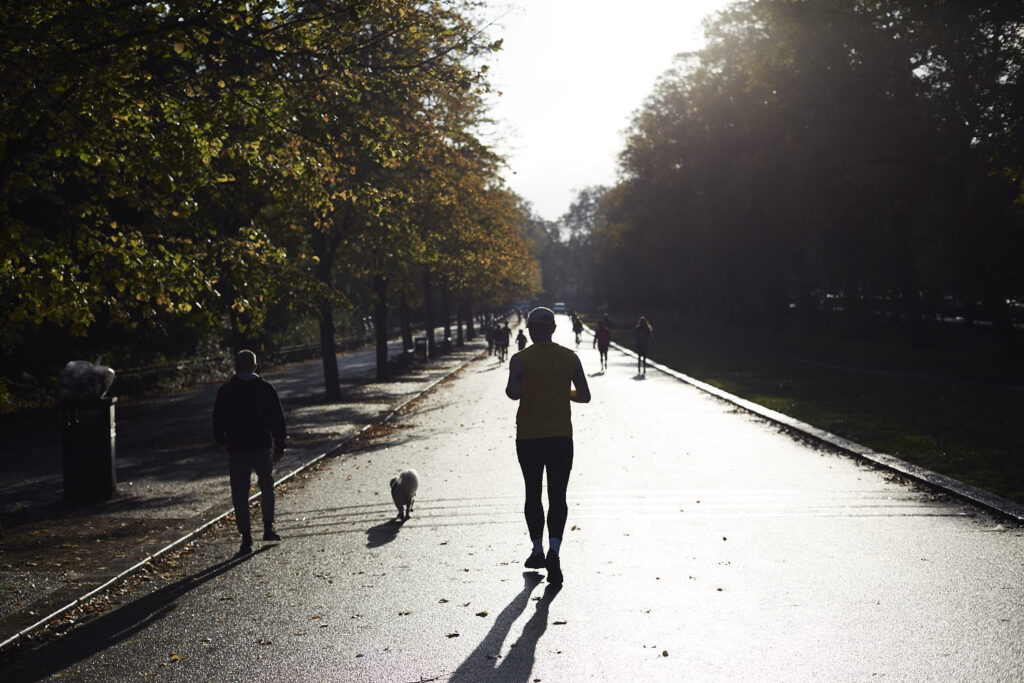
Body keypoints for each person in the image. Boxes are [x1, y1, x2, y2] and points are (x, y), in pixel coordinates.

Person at [505, 307, 591, 585]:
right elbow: (585, 396)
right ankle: (554, 549)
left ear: (529, 330)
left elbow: (513, 393)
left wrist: (529, 385)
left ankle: (537, 549)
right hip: (560, 437)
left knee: (533, 492)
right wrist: (560, 389)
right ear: (553, 329)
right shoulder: (570, 359)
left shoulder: (520, 360)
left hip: (529, 437)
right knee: (558, 495)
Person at [213, 350, 286, 556]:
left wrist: (221, 441)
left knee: (240, 493)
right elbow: (276, 418)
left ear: (236, 367)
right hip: (261, 445)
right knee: (266, 485)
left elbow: (218, 419)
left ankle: (246, 536)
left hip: (237, 447)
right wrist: (280, 442)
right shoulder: (266, 389)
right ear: (255, 366)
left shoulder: (226, 391)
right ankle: (268, 527)